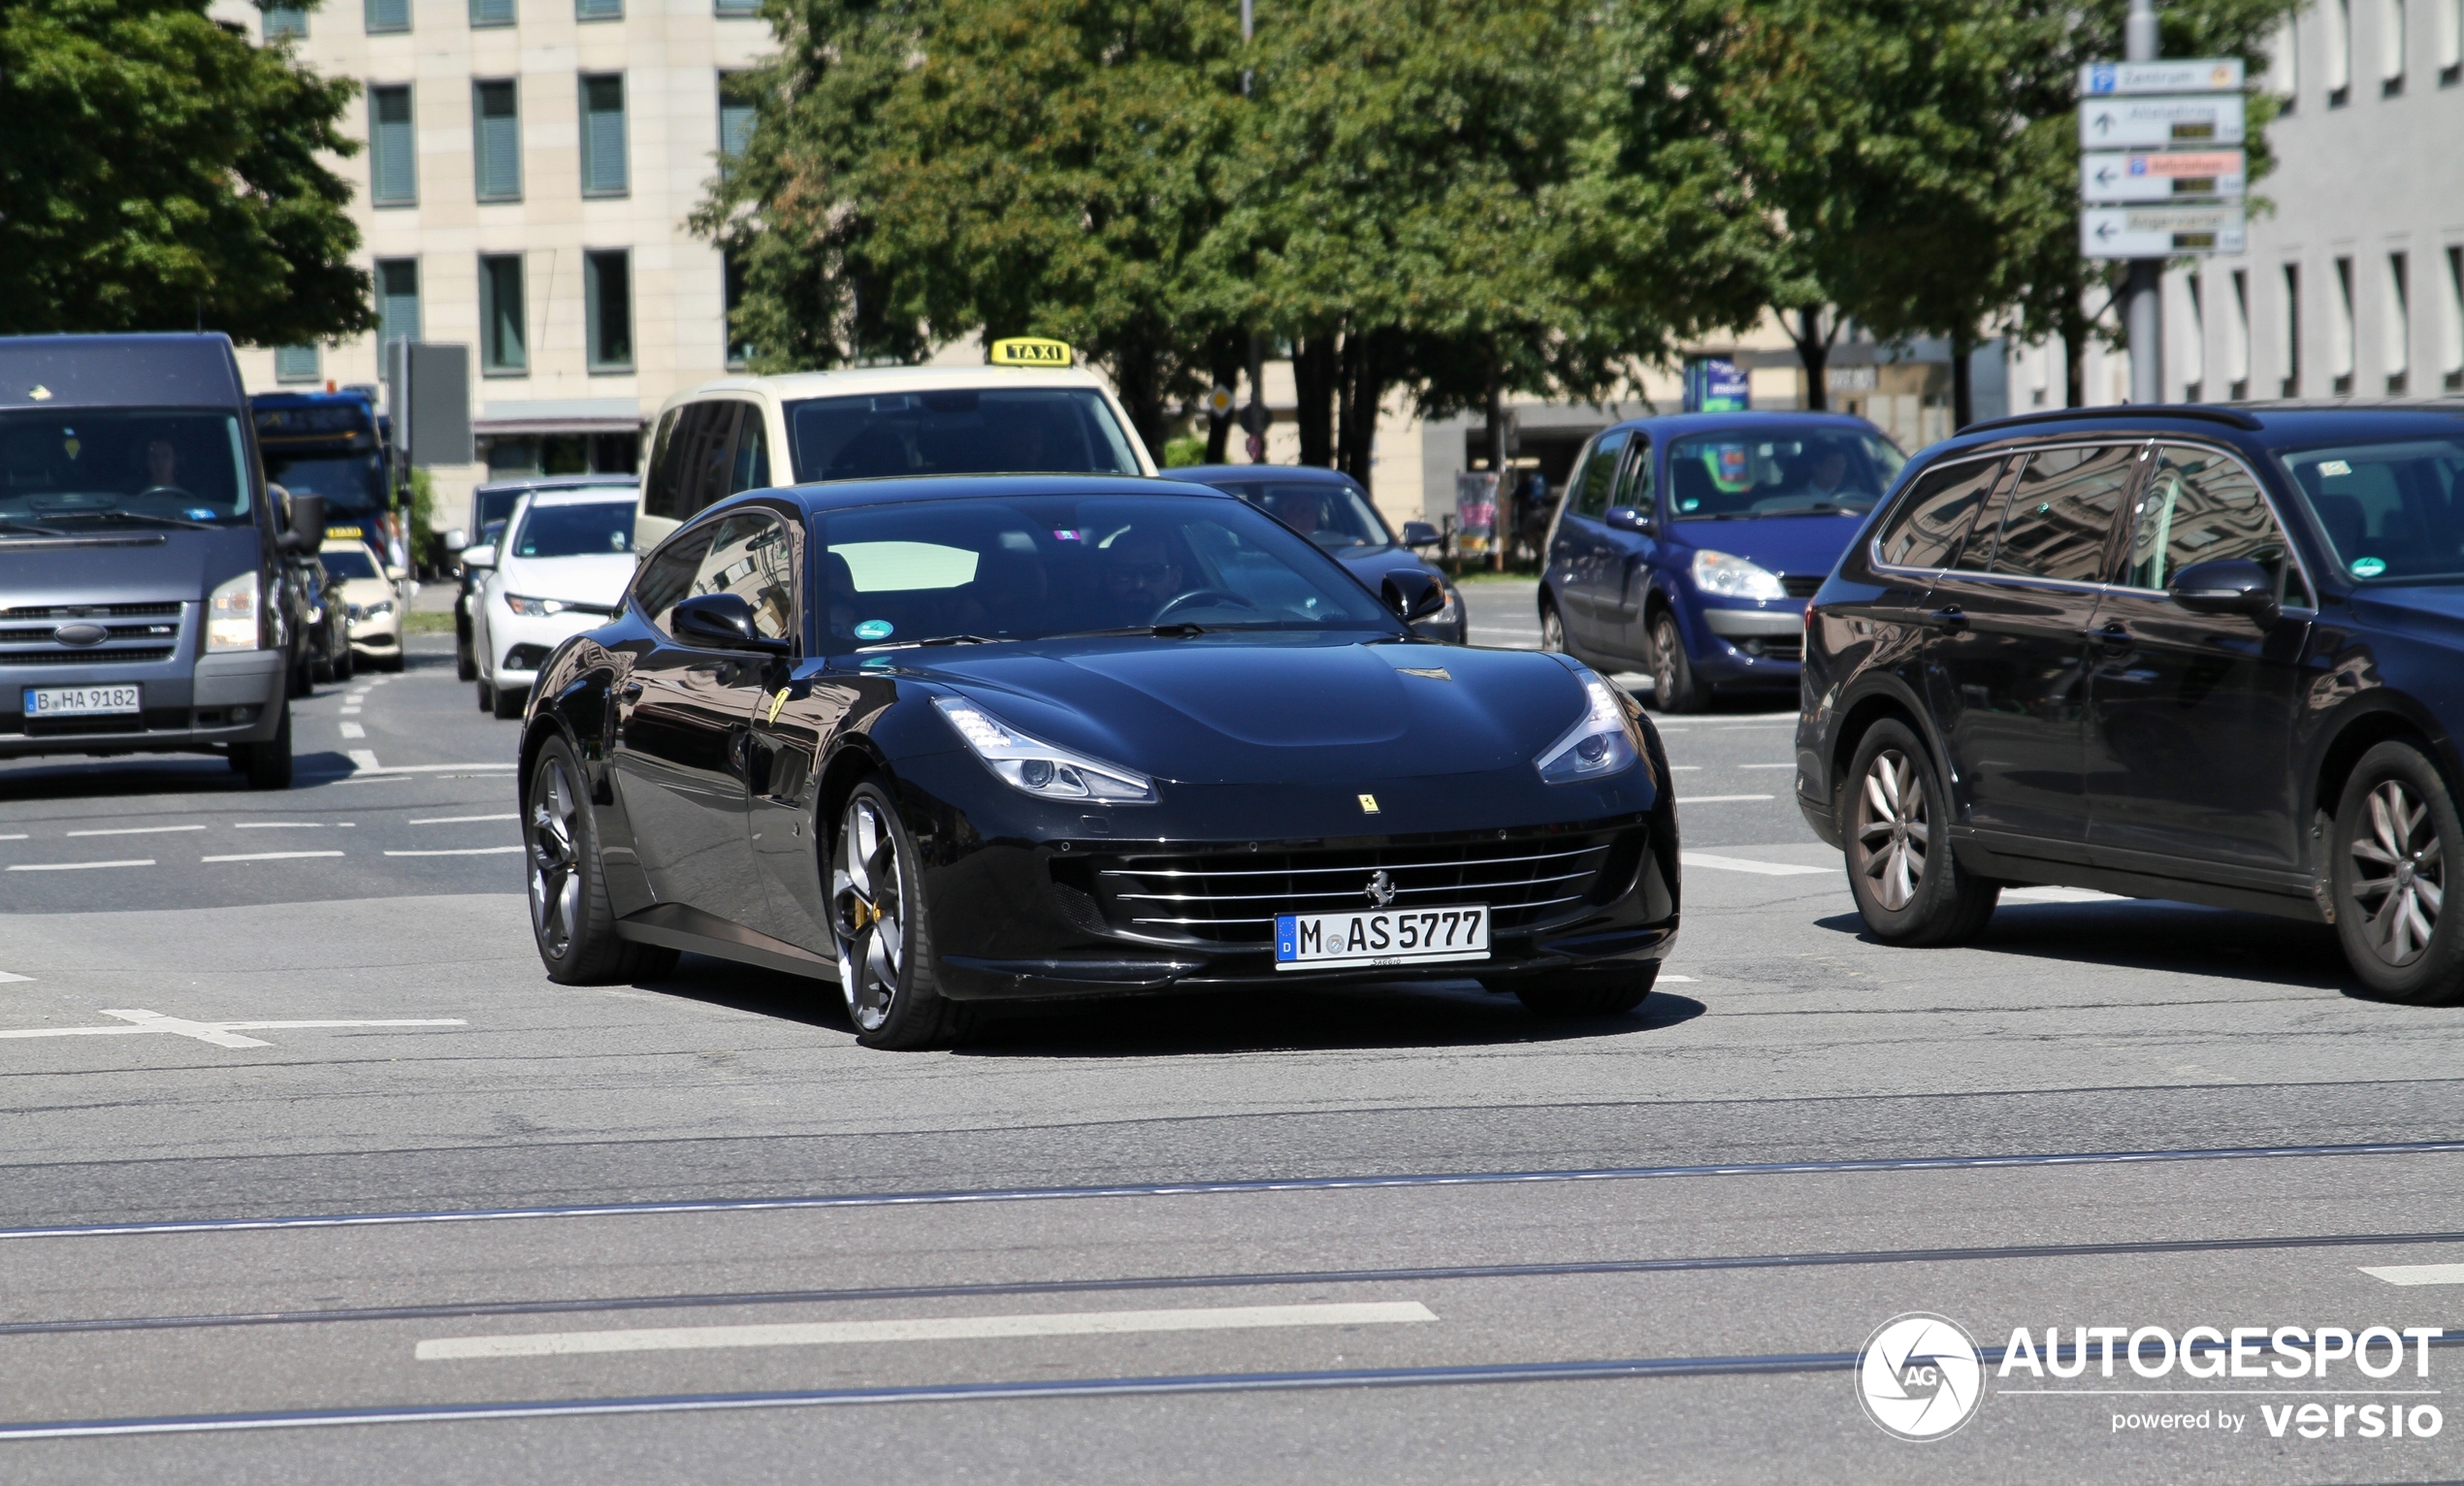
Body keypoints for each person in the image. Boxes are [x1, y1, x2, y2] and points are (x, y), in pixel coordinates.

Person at [1100, 529, 1183, 626]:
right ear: (1109, 578)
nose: (1139, 584)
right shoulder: (1084, 631)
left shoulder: (1197, 624)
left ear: (1175, 579)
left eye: (1152, 571)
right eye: (1125, 572)